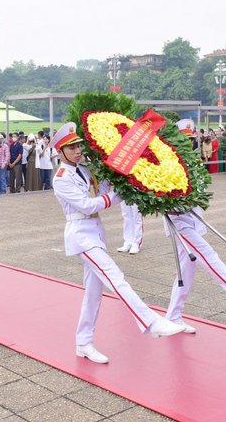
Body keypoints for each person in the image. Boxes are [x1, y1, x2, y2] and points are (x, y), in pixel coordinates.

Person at [51, 122, 184, 364]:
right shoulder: (61, 178)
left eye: (79, 145)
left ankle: (83, 342)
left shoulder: (85, 170)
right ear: (60, 153)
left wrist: (121, 177)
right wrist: (117, 194)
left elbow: (103, 188)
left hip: (95, 233)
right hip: (81, 236)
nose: (78, 150)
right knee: (115, 276)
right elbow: (88, 205)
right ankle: (149, 321)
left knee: (93, 294)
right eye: (71, 148)